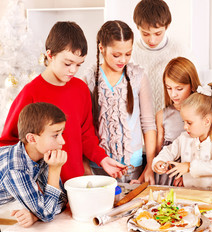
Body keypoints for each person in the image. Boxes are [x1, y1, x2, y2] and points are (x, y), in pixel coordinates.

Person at [0, 21, 127, 183]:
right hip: (42, 189)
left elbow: (86, 134)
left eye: (78, 64)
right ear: (50, 55)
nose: (73, 70)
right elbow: (8, 143)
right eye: (68, 63)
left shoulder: (80, 89)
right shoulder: (30, 93)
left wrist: (102, 159)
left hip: (76, 184)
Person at [83, 20, 156, 184]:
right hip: (99, 167)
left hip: (133, 167)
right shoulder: (88, 80)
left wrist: (149, 165)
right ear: (101, 48)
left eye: (128, 54)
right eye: (116, 55)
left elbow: (148, 124)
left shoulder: (138, 77)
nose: (122, 60)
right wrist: (86, 168)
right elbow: (84, 129)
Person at [153, 83, 212, 191]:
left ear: (206, 121)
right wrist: (159, 161)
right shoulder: (184, 138)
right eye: (184, 122)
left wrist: (189, 167)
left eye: (189, 123)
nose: (185, 127)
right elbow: (168, 151)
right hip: (190, 196)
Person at [0, 102, 68, 227]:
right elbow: (47, 213)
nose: (62, 141)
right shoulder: (15, 169)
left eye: (61, 134)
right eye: (55, 135)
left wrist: (35, 215)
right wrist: (54, 170)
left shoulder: (41, 155)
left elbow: (61, 200)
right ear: (32, 139)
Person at [132, 0, 191, 114]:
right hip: (139, 121)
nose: (152, 40)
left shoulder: (180, 50)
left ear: (167, 26)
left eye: (158, 33)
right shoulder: (129, 52)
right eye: (145, 34)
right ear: (137, 27)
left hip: (172, 119)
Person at [155, 57, 201, 186]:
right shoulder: (162, 115)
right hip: (168, 177)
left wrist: (187, 175)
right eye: (169, 88)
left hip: (193, 176)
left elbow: (206, 151)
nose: (173, 94)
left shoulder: (203, 114)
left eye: (179, 89)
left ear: (192, 86)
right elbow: (158, 153)